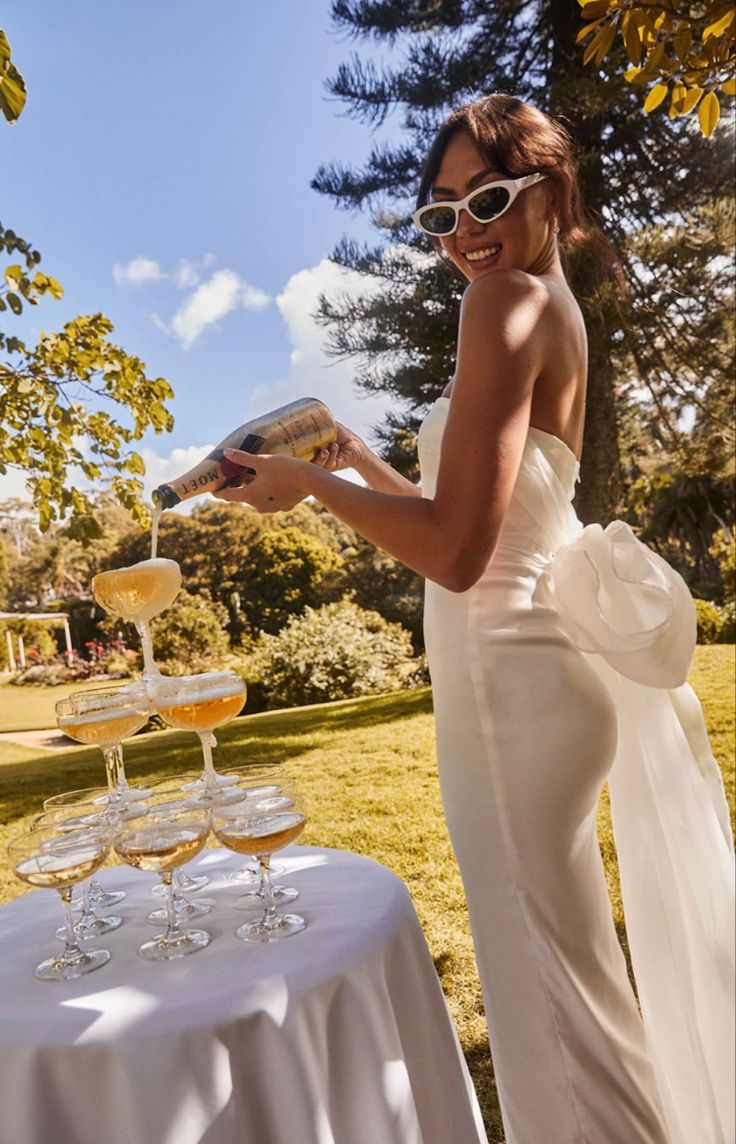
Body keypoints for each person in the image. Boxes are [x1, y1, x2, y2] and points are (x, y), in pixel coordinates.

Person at [215, 95, 734, 1144]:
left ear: (552, 194)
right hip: (543, 681)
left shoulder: (498, 303)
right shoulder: (551, 307)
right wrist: (349, 459)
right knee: (572, 985)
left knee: (545, 1003)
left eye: (488, 198)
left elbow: (454, 552)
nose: (464, 233)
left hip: (508, 693)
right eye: (440, 214)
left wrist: (303, 489)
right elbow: (471, 517)